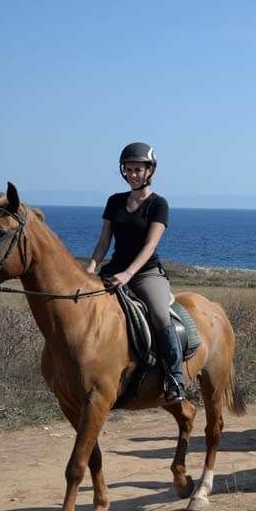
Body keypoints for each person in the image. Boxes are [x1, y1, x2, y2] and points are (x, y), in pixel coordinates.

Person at [86, 141, 185, 404]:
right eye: (128, 170)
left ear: (150, 170)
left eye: (137, 170)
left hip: (145, 273)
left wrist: (129, 274)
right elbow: (103, 241)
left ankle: (175, 378)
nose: (132, 174)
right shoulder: (115, 201)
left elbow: (150, 245)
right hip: (114, 270)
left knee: (160, 315)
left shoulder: (158, 204)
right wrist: (92, 267)